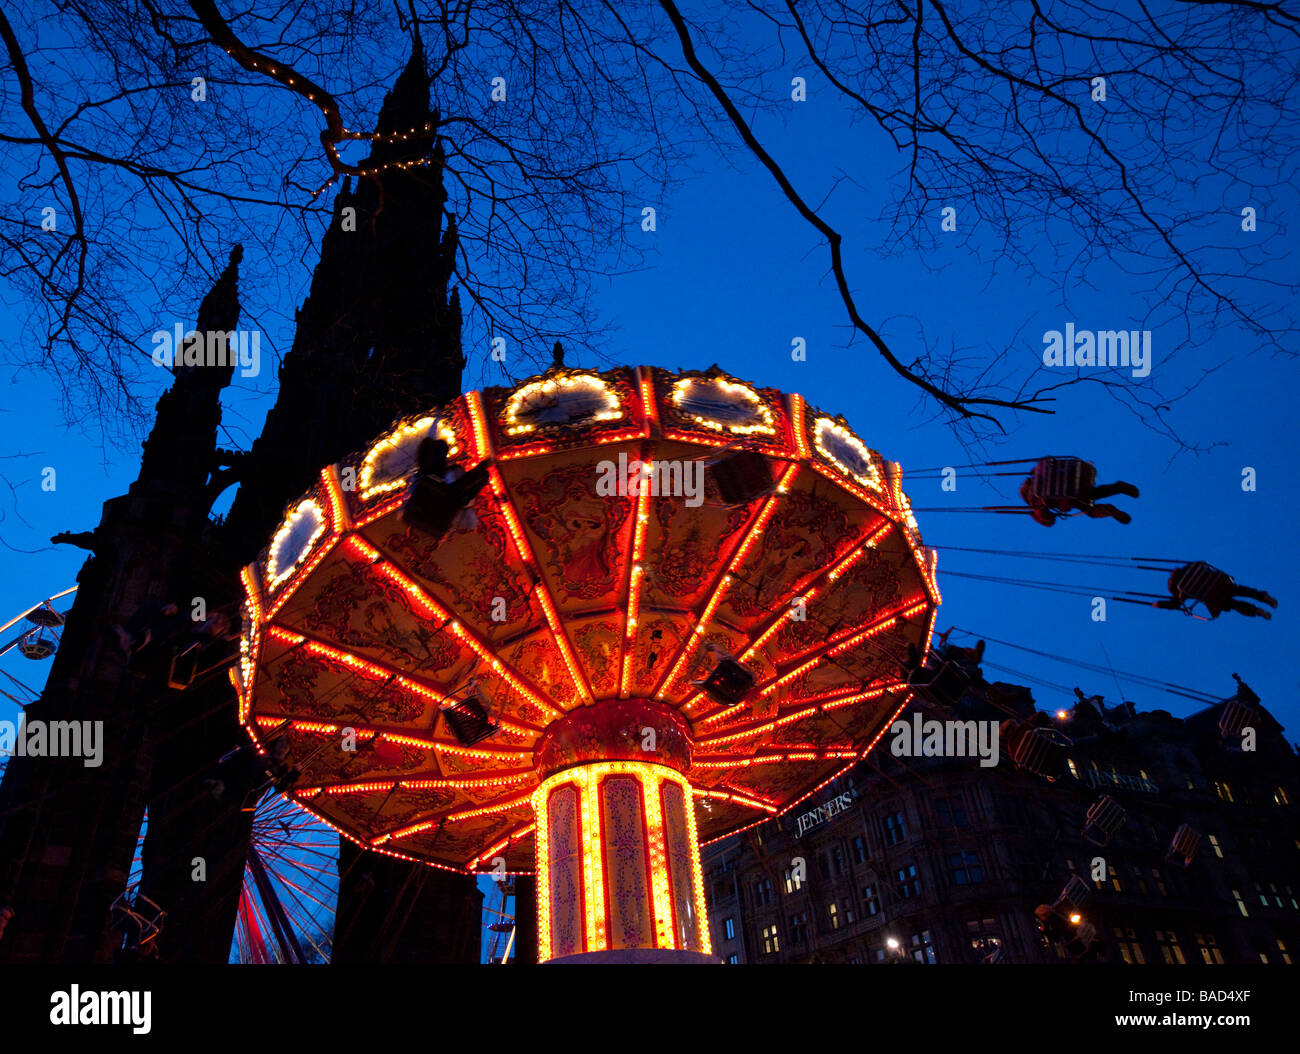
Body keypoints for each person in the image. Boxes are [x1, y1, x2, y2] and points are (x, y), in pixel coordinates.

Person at [1020, 457, 1138, 525]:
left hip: (1067, 495)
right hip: (1073, 476)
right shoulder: (1037, 475)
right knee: (1092, 493)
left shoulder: (1036, 503)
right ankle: (1119, 487)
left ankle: (1108, 510)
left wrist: (1033, 515)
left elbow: (1049, 520)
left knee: (1089, 509)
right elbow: (1048, 461)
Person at [1153, 562, 1277, 619]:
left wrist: (1158, 604)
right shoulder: (1189, 568)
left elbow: (1175, 604)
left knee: (1233, 604)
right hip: (1219, 582)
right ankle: (1263, 596)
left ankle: (1257, 611)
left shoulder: (1181, 590)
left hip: (1212, 596)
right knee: (1239, 590)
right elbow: (1201, 564)